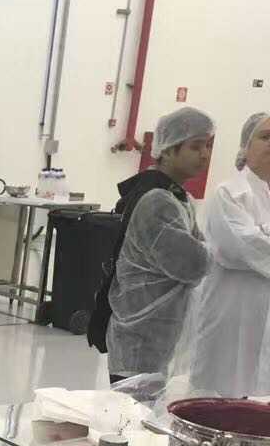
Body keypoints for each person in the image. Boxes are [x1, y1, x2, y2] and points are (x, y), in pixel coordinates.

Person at [90, 106, 214, 383]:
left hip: (157, 331)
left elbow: (201, 250)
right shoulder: (157, 201)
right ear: (167, 150)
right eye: (195, 147)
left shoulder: (176, 197)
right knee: (134, 406)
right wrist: (219, 251)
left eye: (207, 146)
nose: (205, 154)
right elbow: (193, 264)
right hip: (141, 333)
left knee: (148, 403)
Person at [190, 112, 270, 396]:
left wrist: (261, 232)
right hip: (231, 316)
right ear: (246, 146)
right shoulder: (229, 194)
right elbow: (241, 247)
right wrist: (259, 236)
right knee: (220, 399)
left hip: (262, 322)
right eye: (265, 137)